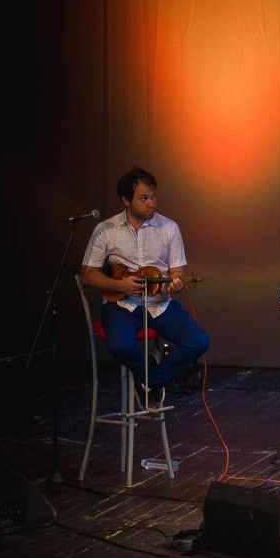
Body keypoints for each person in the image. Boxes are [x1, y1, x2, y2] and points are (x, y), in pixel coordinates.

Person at [80, 165, 210, 407]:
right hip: (121, 305)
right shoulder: (106, 230)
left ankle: (150, 380)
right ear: (126, 200)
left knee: (199, 341)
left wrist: (175, 283)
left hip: (159, 304)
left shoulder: (169, 227)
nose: (152, 203)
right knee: (119, 345)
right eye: (143, 198)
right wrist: (120, 285)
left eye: (153, 197)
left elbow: (177, 272)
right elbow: (88, 275)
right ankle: (148, 370)